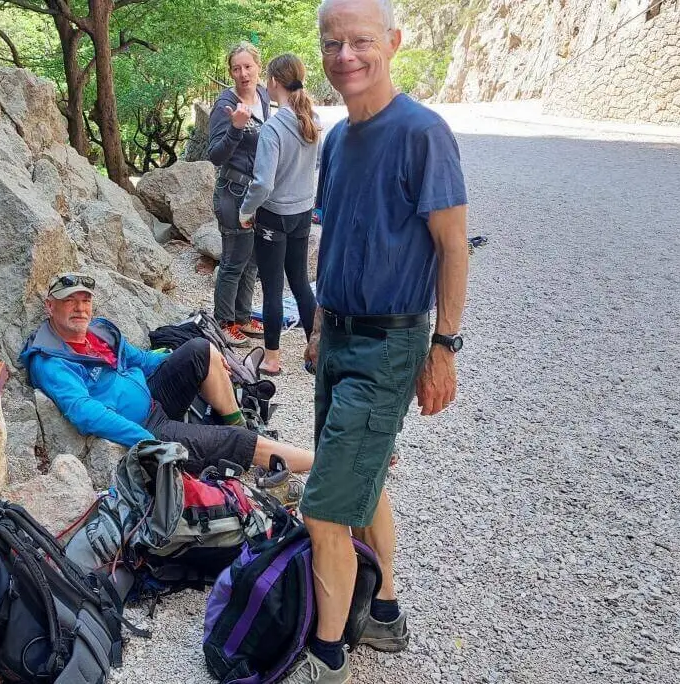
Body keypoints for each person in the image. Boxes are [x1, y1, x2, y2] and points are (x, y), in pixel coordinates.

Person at [291, 0, 470, 682]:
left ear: (392, 42)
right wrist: (315, 325)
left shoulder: (423, 133)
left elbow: (454, 247)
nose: (346, 56)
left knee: (323, 509)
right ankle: (385, 611)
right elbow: (333, 236)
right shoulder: (336, 139)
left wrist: (444, 347)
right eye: (333, 43)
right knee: (357, 483)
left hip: (390, 343)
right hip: (337, 334)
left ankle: (328, 655)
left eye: (360, 41)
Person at [21, 272, 316, 481]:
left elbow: (142, 360)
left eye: (85, 301)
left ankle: (239, 421)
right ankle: (321, 465)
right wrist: (146, 440)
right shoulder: (51, 361)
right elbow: (85, 412)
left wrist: (196, 355)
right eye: (70, 301)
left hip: (152, 395)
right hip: (147, 425)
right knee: (236, 441)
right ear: (50, 306)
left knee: (201, 348)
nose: (80, 308)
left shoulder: (98, 330)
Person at [238, 53, 321, 377]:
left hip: (274, 215)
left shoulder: (273, 128)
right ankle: (315, 351)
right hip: (302, 212)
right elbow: (313, 167)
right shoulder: (311, 119)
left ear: (273, 81)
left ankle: (272, 359)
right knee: (300, 281)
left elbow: (263, 182)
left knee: (272, 287)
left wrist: (247, 211)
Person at [208, 42, 271, 347]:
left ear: (259, 66)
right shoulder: (224, 105)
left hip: (257, 191)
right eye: (236, 68)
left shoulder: (263, 95)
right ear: (230, 72)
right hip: (233, 192)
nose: (243, 73)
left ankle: (243, 316)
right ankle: (223, 322)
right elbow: (215, 156)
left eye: (248, 66)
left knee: (253, 259)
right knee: (234, 260)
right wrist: (235, 128)